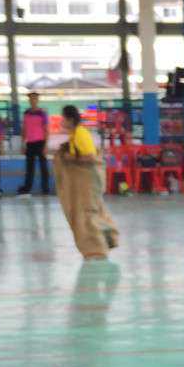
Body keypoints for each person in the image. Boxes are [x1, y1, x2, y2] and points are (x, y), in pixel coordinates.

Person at [53, 105, 119, 260]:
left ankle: (97, 250)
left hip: (90, 181)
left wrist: (71, 158)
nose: (61, 121)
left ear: (70, 119)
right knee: (95, 211)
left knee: (88, 214)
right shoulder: (74, 135)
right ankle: (108, 238)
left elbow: (90, 157)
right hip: (86, 184)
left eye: (63, 118)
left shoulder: (80, 134)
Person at [18, 91, 51, 196]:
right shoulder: (26, 113)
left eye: (34, 99)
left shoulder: (42, 113)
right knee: (29, 168)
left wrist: (46, 145)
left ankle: (45, 189)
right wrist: (22, 144)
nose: (33, 101)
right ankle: (27, 188)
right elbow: (24, 129)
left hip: (40, 142)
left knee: (43, 167)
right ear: (29, 100)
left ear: (37, 100)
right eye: (31, 99)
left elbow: (46, 130)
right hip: (30, 143)